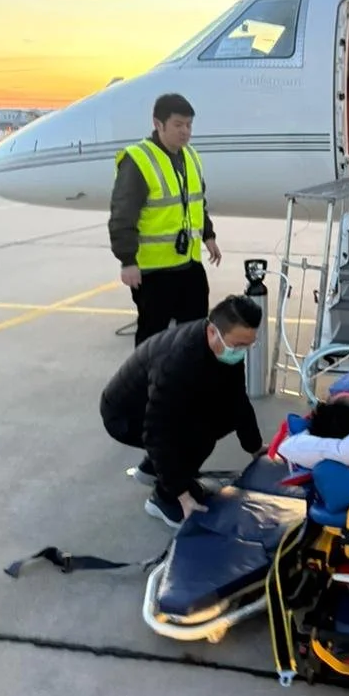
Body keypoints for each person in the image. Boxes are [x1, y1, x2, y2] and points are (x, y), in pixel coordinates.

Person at [99, 294, 264, 529]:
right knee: (199, 434)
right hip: (125, 416)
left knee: (223, 415)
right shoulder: (177, 363)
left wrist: (255, 447)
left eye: (249, 344)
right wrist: (182, 495)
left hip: (153, 404)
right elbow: (157, 432)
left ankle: (151, 469)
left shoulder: (224, 347)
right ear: (212, 332)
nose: (243, 351)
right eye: (239, 345)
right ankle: (162, 499)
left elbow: (236, 399)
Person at [108, 93, 222, 347]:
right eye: (178, 125)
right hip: (153, 273)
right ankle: (149, 386)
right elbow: (122, 214)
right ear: (158, 124)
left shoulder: (190, 156)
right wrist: (128, 260)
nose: (185, 132)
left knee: (194, 335)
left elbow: (195, 202)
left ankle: (186, 385)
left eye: (189, 125)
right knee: (153, 340)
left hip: (189, 265)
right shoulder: (138, 160)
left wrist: (208, 235)